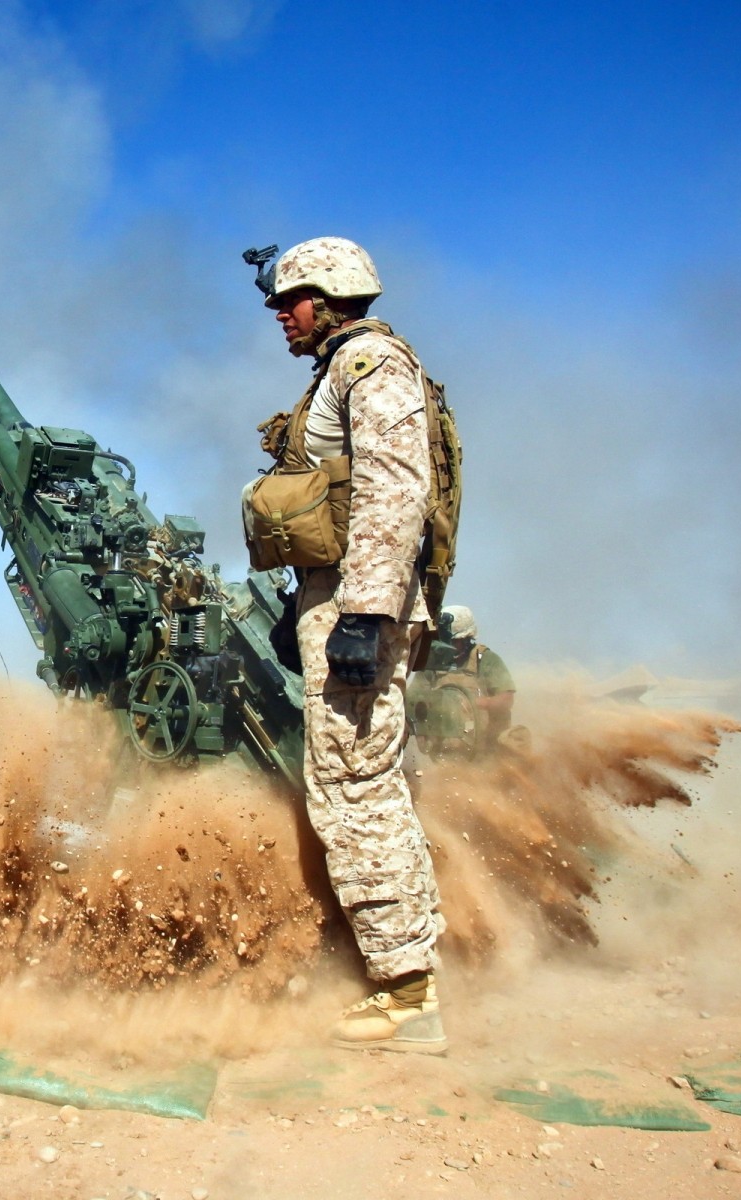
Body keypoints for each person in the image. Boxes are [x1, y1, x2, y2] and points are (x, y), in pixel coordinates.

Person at [246, 237, 450, 1054]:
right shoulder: (340, 371)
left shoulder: (370, 367)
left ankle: (407, 993)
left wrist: (363, 615)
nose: (279, 315)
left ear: (330, 297)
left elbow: (393, 492)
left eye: (290, 300)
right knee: (360, 780)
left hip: (358, 604)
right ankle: (408, 972)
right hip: (334, 599)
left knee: (353, 786)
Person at [408, 605, 517, 758]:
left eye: (453, 641)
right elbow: (413, 701)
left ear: (466, 638)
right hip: (444, 753)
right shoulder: (433, 663)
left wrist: (477, 703)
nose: (447, 646)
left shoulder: (485, 660)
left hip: (486, 751)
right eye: (442, 640)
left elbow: (506, 700)